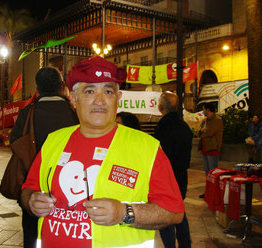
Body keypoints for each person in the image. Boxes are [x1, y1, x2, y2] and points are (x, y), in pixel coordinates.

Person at [21, 56, 184, 248]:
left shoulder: (147, 147)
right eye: (89, 91)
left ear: (118, 98)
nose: (100, 100)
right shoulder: (54, 141)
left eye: (108, 91)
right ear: (73, 99)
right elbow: (28, 189)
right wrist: (32, 201)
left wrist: (124, 213)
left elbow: (174, 212)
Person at [10, 67, 79, 248]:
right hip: (71, 187)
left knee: (32, 236)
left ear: (37, 89)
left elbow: (15, 143)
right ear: (62, 86)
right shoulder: (75, 112)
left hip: (33, 188)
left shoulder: (27, 113)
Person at [154, 92, 192, 248]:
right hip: (182, 176)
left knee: (165, 215)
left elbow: (161, 156)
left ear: (160, 107)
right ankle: (185, 244)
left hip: (167, 178)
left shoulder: (163, 127)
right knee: (179, 210)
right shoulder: (184, 126)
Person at [198, 102, 223, 198]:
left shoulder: (217, 120)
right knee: (207, 172)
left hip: (212, 148)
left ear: (208, 110)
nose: (203, 111)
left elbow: (210, 132)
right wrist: (202, 130)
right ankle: (208, 192)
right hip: (204, 148)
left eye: (204, 109)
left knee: (213, 172)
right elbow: (198, 131)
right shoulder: (205, 120)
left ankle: (214, 193)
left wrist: (203, 131)